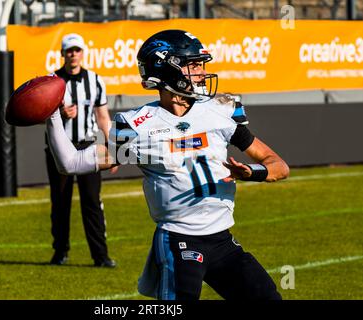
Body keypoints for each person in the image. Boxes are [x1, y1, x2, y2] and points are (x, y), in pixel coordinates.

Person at [45, 30, 290, 299]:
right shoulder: (139, 125)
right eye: (193, 64)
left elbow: (278, 165)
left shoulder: (221, 111)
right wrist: (52, 115)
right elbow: (70, 163)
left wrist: (252, 172)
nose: (200, 72)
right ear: (166, 69)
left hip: (222, 241)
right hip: (178, 240)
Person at [45, 33, 116, 268]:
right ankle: (60, 252)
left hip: (87, 145)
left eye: (76, 50)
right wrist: (60, 114)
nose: (73, 54)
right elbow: (40, 114)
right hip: (60, 147)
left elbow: (103, 116)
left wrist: (113, 147)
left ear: (82, 53)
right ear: (63, 53)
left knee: (92, 201)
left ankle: (100, 255)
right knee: (60, 201)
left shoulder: (95, 80)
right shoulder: (53, 80)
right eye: (69, 50)